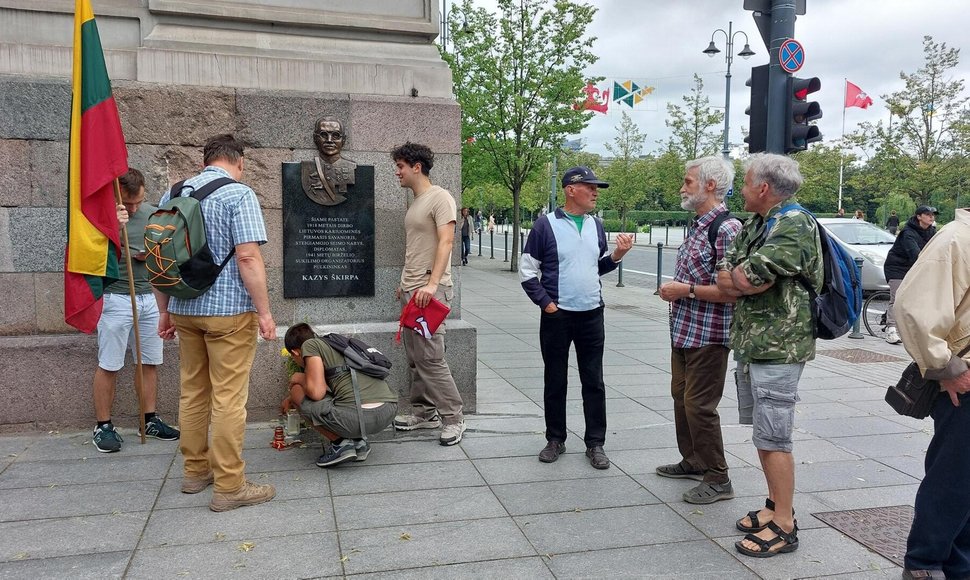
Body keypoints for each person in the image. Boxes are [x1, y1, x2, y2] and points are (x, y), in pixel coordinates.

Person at [155, 134, 277, 512]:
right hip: (229, 312)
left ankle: (195, 472)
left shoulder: (173, 194)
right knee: (228, 397)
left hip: (184, 307)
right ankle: (229, 485)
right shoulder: (239, 194)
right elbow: (248, 258)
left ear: (205, 159)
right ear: (238, 161)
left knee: (193, 391)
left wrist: (163, 311)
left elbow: (156, 257)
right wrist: (265, 312)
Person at [716, 153, 822, 558]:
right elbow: (728, 275)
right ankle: (774, 506)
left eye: (744, 182)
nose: (739, 189)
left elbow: (742, 276)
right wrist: (742, 280)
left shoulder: (794, 223)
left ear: (763, 188)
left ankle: (784, 524)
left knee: (775, 436)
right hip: (755, 344)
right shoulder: (759, 223)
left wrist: (742, 279)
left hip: (780, 347)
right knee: (763, 433)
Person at [520, 166, 633, 470]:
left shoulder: (596, 225)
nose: (596, 192)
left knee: (593, 380)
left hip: (592, 314)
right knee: (555, 379)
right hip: (558, 316)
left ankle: (595, 443)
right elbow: (528, 271)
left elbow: (597, 266)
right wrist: (547, 305)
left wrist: (618, 255)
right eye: (590, 187)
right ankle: (555, 438)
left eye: (597, 187)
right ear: (571, 189)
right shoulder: (545, 225)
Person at [656, 157, 741, 504]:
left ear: (710, 185)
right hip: (684, 331)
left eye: (688, 181)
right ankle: (693, 460)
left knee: (699, 405)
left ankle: (718, 477)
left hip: (710, 335)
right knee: (682, 398)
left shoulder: (726, 228)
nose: (682, 187)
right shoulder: (698, 225)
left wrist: (683, 290)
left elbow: (733, 291)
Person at [895, 207, 970, 580]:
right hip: (965, 384)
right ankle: (924, 564)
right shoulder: (957, 239)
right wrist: (948, 367)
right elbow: (913, 308)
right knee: (953, 479)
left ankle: (957, 566)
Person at [91, 168, 180, 453]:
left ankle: (149, 419)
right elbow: (91, 254)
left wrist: (153, 254)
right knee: (110, 362)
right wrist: (115, 232)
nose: (134, 208)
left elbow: (168, 250)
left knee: (150, 361)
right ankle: (103, 425)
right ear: (117, 193)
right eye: (128, 203)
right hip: (116, 296)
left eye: (138, 201)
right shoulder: (103, 214)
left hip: (150, 296)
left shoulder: (152, 214)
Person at [390, 142, 467, 446]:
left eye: (400, 166)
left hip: (429, 292)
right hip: (413, 290)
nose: (397, 172)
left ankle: (454, 418)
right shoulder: (415, 203)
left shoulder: (440, 198)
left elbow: (447, 242)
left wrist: (433, 284)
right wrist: (404, 283)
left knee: (431, 357)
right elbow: (416, 250)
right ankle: (424, 411)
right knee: (415, 356)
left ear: (416, 167)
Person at [281, 324, 398, 467]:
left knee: (296, 391)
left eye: (293, 358)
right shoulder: (334, 344)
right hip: (388, 410)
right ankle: (359, 444)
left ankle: (341, 444)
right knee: (338, 399)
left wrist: (298, 379)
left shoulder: (310, 346)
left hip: (359, 418)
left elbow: (317, 393)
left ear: (295, 353)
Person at [883, 205, 938, 345]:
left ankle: (890, 318)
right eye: (927, 214)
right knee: (897, 298)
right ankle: (890, 329)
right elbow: (915, 254)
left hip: (914, 267)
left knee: (917, 299)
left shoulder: (932, 231)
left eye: (933, 214)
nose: (931, 216)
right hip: (897, 267)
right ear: (919, 216)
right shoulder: (908, 232)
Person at [302, 116, 357, 206]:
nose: (329, 140)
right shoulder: (306, 168)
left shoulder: (351, 167)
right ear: (315, 138)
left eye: (336, 135)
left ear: (343, 140)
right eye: (324, 135)